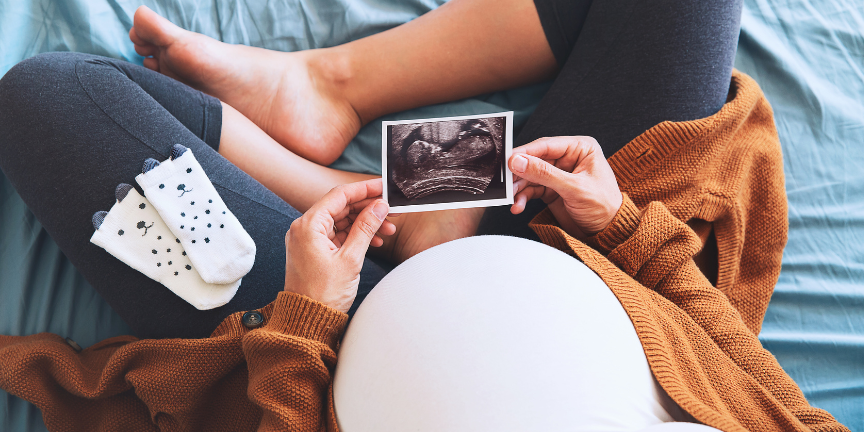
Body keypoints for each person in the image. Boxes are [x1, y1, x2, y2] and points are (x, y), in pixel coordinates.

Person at [0, 0, 849, 430]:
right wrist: (625, 225)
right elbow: (746, 386)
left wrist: (303, 325)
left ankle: (374, 207)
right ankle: (335, 90)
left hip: (334, 345)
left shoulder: (314, 335)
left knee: (46, 98)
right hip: (582, 260)